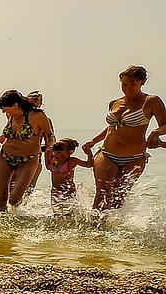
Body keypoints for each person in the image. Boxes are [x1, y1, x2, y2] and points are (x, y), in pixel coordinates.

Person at [83, 65, 164, 212]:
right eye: (124, 84)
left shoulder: (151, 101)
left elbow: (165, 124)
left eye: (133, 84)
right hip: (107, 153)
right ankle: (94, 232)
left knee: (118, 198)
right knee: (102, 194)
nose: (128, 88)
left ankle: (115, 233)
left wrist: (156, 132)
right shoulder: (114, 103)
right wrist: (93, 141)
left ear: (142, 82)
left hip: (134, 157)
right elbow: (112, 127)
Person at [0, 90, 55, 211]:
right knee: (1, 197)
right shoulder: (11, 116)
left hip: (28, 159)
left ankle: (15, 226)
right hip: (6, 157)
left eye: (5, 108)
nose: (4, 111)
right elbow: (10, 135)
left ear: (15, 105)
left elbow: (49, 135)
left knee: (15, 198)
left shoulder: (37, 116)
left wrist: (50, 148)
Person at [45, 138, 93, 216]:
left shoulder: (71, 162)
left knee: (69, 214)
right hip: (55, 192)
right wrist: (46, 154)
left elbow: (89, 164)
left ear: (69, 152)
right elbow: (48, 167)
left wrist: (89, 153)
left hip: (68, 192)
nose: (55, 154)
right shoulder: (55, 161)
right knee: (57, 214)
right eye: (55, 152)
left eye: (59, 152)